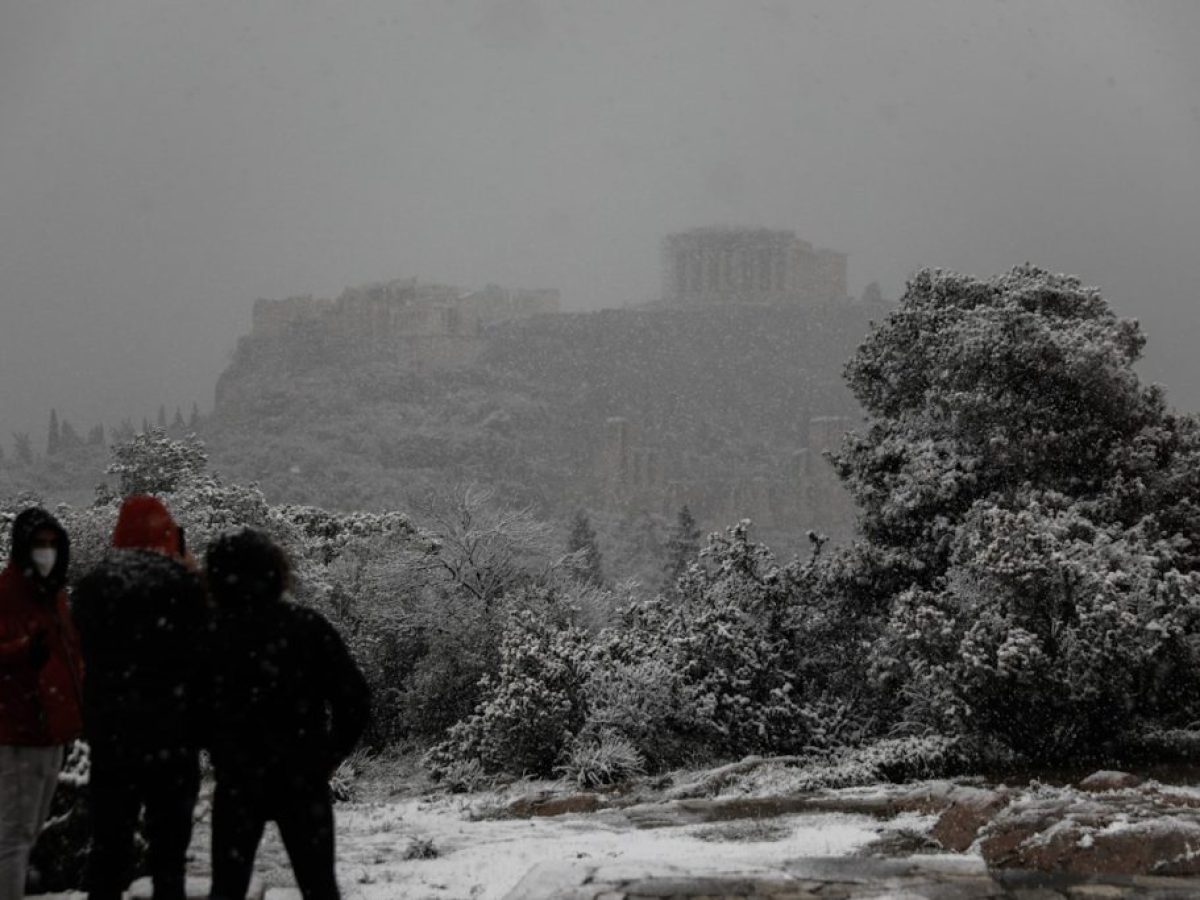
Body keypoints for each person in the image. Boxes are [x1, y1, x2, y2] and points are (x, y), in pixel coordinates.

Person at [205, 528, 369, 900]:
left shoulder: (211, 632)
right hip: (302, 780)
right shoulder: (306, 627)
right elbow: (355, 698)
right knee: (320, 888)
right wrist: (329, 755)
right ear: (275, 571)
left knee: (227, 889)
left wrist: (219, 747)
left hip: (238, 782)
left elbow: (187, 706)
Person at [72, 495, 206, 900]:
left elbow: (81, 656)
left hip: (113, 740)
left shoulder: (93, 588)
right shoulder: (186, 587)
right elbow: (204, 660)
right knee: (168, 855)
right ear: (170, 535)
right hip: (174, 740)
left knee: (109, 850)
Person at [0, 508, 84, 900]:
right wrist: (22, 652)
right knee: (13, 838)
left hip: (52, 732)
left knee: (27, 833)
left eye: (52, 544)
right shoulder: (8, 594)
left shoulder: (55, 596)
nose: (46, 552)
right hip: (18, 732)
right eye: (39, 545)